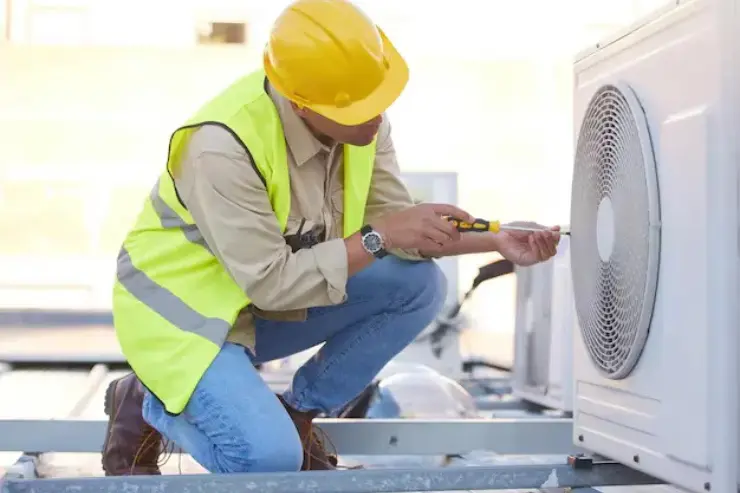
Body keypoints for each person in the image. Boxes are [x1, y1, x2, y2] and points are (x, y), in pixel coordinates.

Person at [101, 0, 561, 476]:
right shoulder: (221, 147)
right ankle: (146, 399)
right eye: (363, 107)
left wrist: (499, 239)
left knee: (418, 285)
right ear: (301, 103)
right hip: (182, 321)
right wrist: (379, 235)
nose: (379, 117)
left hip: (251, 305)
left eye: (378, 99)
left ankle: (296, 413)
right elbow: (276, 283)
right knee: (267, 460)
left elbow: (404, 234)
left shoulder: (358, 122)